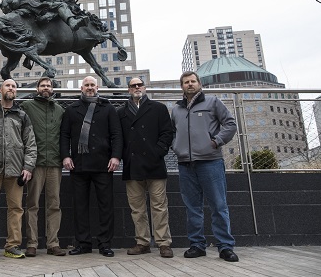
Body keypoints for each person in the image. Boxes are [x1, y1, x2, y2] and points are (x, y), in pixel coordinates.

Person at [171, 71, 239, 262]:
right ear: (182, 86)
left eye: (193, 81)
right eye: (186, 82)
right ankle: (197, 245)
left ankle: (225, 246)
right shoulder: (176, 109)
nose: (190, 84)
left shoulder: (213, 102)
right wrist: (176, 147)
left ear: (199, 84)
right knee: (192, 207)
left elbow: (230, 124)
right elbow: (172, 132)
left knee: (218, 205)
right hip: (185, 164)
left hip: (210, 162)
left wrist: (216, 141)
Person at [60, 76, 123, 257]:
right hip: (78, 164)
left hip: (103, 164)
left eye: (92, 85)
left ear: (98, 87)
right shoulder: (72, 109)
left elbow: (116, 135)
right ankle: (83, 243)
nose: (89, 88)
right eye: (86, 85)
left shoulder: (108, 108)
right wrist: (65, 156)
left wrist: (116, 157)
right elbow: (64, 135)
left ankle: (105, 244)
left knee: (106, 206)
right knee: (79, 207)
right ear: (81, 88)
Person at [0, 79, 37, 260]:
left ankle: (13, 246)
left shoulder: (22, 114)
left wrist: (28, 166)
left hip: (16, 169)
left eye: (13, 86)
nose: (11, 88)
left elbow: (30, 142)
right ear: (1, 89)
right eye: (7, 86)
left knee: (16, 209)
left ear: (16, 92)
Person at [117, 77, 175, 258]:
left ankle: (163, 243)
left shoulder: (158, 108)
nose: (136, 88)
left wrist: (158, 152)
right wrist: (123, 156)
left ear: (145, 87)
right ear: (128, 90)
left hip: (154, 163)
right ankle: (142, 242)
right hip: (132, 165)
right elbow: (117, 137)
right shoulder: (121, 112)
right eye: (133, 86)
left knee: (159, 206)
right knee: (137, 208)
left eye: (139, 85)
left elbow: (167, 133)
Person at [20, 77, 67, 257]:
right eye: (42, 85)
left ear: (52, 89)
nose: (45, 88)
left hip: (55, 163)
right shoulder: (27, 106)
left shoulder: (60, 110)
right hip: (35, 163)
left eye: (48, 85)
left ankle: (53, 243)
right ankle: (31, 243)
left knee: (54, 205)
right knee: (32, 204)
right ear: (37, 88)